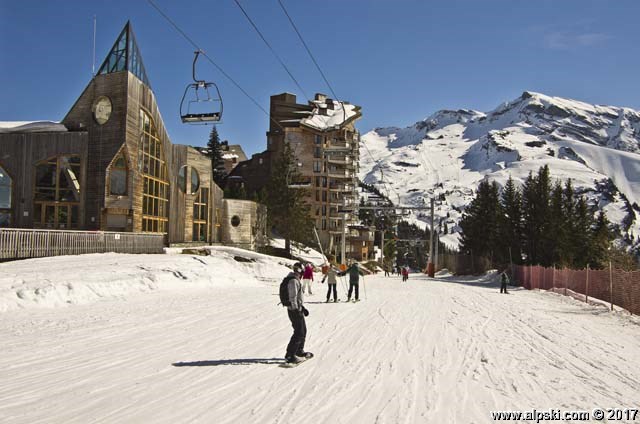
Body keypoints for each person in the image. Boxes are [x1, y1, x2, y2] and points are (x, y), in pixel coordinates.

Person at [284, 262, 313, 364]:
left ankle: (299, 351)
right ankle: (290, 355)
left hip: (297, 309)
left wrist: (302, 308)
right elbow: (293, 297)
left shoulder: (295, 279)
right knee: (298, 332)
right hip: (294, 310)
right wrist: (296, 309)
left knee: (303, 331)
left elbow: (297, 298)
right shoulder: (293, 281)